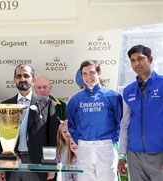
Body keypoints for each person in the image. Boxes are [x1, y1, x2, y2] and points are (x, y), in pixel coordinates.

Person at [0, 64, 59, 181]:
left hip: (37, 162)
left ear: (33, 80)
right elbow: (3, 139)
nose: (22, 79)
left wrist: (51, 164)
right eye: (19, 76)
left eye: (26, 76)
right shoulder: (6, 105)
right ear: (15, 80)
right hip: (12, 162)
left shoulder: (47, 103)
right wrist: (2, 165)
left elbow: (51, 137)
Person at [67, 60, 122, 181]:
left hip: (106, 146)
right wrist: (81, 142)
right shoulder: (75, 100)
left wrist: (112, 141)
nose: (88, 77)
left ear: (99, 73)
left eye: (92, 72)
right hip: (84, 147)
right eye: (85, 74)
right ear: (81, 76)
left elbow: (120, 122)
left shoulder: (113, 96)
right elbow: (71, 125)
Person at [117, 45, 163, 181]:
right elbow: (124, 124)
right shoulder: (128, 91)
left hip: (159, 153)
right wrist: (121, 155)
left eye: (140, 59)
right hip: (134, 155)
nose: (136, 63)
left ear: (150, 59)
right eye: (132, 60)